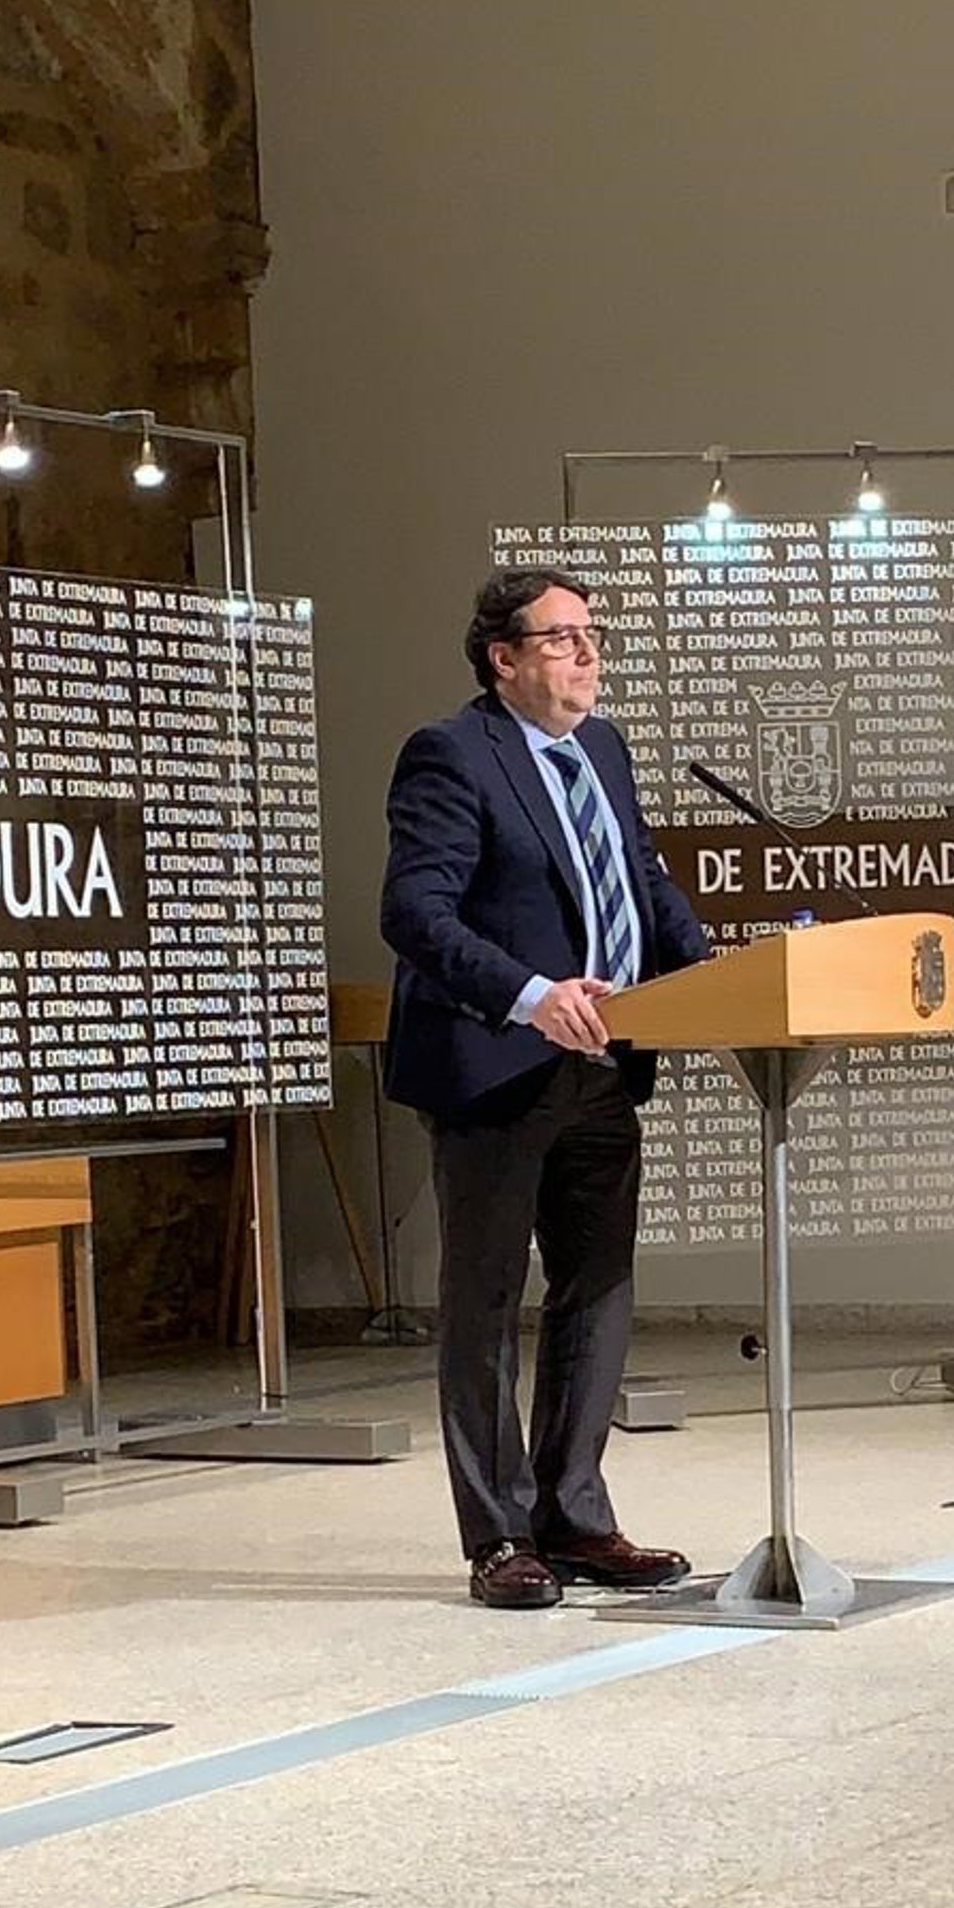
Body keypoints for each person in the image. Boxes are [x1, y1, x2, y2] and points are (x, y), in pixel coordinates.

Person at [381, 566, 712, 1609]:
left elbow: (641, 880)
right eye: (563, 637)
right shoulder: (451, 753)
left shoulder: (602, 749)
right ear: (504, 658)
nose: (588, 653)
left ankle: (575, 1516)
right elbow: (415, 912)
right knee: (486, 1300)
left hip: (606, 1062)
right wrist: (529, 996)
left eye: (591, 634)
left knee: (597, 1289)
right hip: (498, 1064)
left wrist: (719, 978)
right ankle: (500, 1535)